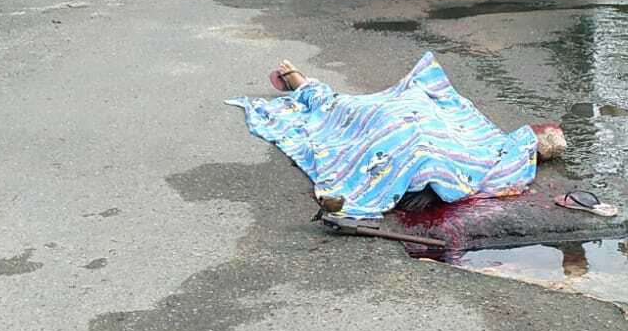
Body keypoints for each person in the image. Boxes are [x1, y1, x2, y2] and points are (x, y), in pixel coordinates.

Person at [227, 53, 566, 220]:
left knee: (334, 109)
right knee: (335, 109)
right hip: (401, 116)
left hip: (408, 126)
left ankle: (301, 83)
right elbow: (500, 153)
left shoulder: (450, 177)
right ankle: (301, 83)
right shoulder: (469, 172)